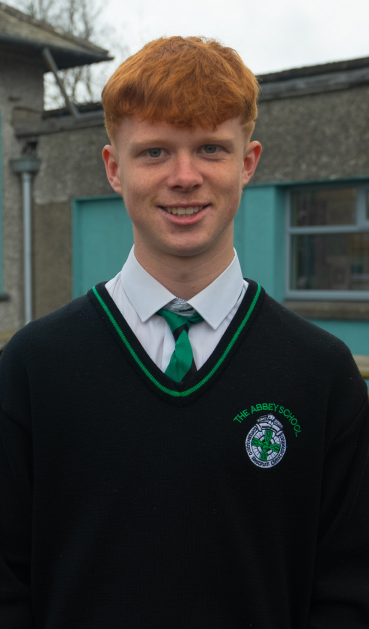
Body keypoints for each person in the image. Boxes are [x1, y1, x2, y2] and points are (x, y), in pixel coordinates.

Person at [0, 36, 368, 629]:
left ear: (247, 163)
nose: (185, 176)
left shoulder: (321, 375)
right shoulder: (32, 368)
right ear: (114, 168)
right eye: (153, 153)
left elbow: (349, 591)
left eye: (210, 149)